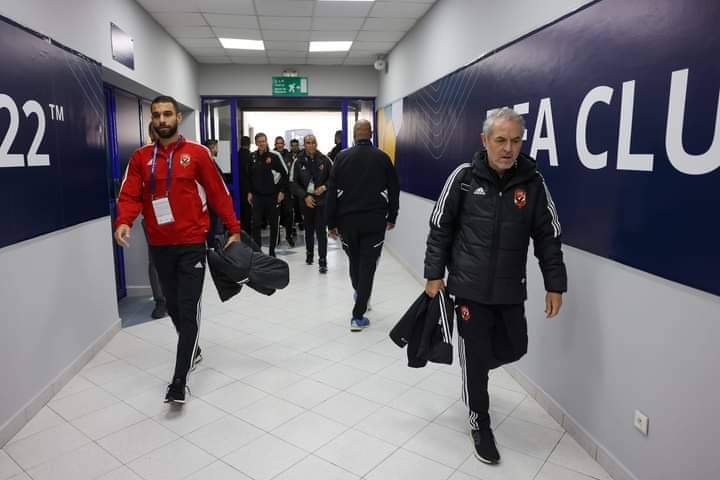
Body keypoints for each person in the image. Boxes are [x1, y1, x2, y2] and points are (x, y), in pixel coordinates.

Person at [423, 107, 567, 465]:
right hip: (468, 289)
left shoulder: (533, 183)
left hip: (509, 289)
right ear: (484, 140)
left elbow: (548, 236)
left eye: (515, 141)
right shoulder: (463, 178)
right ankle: (479, 421)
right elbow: (440, 227)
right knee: (475, 359)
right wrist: (434, 274)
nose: (508, 148)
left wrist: (555, 284)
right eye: (500, 140)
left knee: (516, 347)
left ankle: (475, 370)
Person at [114, 95, 241, 404]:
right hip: (159, 244)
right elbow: (130, 194)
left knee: (188, 307)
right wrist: (124, 221)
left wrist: (234, 227)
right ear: (152, 119)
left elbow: (218, 192)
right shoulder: (141, 157)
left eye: (167, 114)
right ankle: (192, 348)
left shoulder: (197, 154)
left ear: (178, 118)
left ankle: (179, 380)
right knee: (172, 306)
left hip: (192, 242)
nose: (162, 120)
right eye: (157, 115)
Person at [326, 120, 399, 331]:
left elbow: (332, 192)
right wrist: (392, 216)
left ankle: (360, 295)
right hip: (374, 221)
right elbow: (394, 188)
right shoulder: (382, 158)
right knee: (367, 266)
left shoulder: (341, 158)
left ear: (354, 134)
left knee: (355, 261)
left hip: (347, 222)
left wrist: (331, 223)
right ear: (371, 134)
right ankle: (358, 315)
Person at [290, 134, 333, 273]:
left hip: (322, 202)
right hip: (306, 202)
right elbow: (292, 183)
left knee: (321, 231)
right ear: (304, 145)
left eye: (313, 142)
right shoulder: (298, 161)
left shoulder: (325, 160)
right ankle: (309, 255)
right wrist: (305, 196)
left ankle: (323, 260)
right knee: (308, 230)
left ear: (316, 144)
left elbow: (334, 178)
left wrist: (324, 187)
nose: (311, 145)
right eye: (308, 143)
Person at [248, 132, 288, 257]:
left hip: (272, 196)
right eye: (259, 141)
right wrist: (249, 192)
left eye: (263, 141)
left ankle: (272, 251)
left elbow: (285, 174)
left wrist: (282, 191)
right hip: (257, 196)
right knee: (255, 224)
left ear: (266, 142)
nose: (261, 143)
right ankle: (257, 251)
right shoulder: (252, 157)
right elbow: (249, 176)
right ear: (256, 143)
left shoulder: (274, 156)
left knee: (274, 224)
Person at [142, 122, 166, 319]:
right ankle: (160, 301)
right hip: (153, 217)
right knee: (155, 260)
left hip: (178, 217)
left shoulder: (180, 154)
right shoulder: (142, 157)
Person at [274, 136, 296, 247]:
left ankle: (289, 235)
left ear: (284, 144)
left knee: (289, 213)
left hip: (287, 190)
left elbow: (290, 173)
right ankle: (276, 237)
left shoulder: (289, 156)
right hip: (275, 191)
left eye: (281, 143)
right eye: (277, 143)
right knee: (275, 215)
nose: (280, 145)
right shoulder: (272, 156)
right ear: (275, 145)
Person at [289, 138, 304, 232]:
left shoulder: (302, 155)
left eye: (296, 145)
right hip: (291, 185)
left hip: (301, 185)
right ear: (290, 146)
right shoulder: (288, 156)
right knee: (292, 206)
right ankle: (293, 225)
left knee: (301, 205)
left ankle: (301, 222)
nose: (295, 147)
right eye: (293, 146)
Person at [238, 136, 252, 234]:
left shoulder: (235, 155)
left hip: (237, 186)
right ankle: (247, 231)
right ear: (249, 144)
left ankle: (240, 229)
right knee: (247, 210)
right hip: (248, 187)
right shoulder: (250, 156)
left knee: (240, 209)